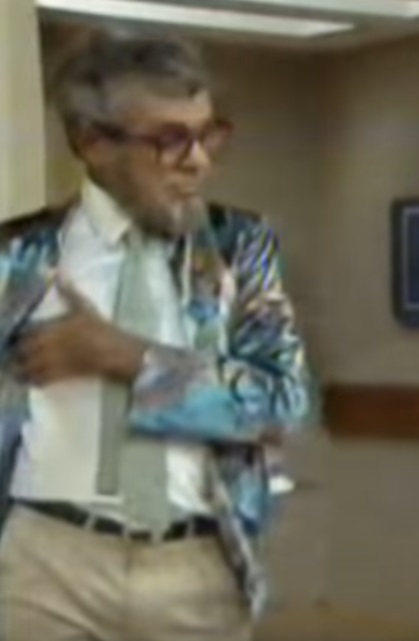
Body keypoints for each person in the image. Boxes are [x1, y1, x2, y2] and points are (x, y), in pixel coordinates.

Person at [0, 28, 312, 641]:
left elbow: (282, 401)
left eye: (208, 134)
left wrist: (128, 358)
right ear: (92, 142)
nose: (198, 161)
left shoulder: (238, 246)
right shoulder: (17, 257)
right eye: (169, 140)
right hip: (43, 565)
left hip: (195, 567)